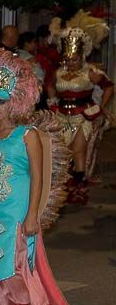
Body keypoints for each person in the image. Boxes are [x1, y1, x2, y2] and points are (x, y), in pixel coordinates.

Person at [0, 50, 99, 305]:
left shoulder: (28, 135)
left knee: (19, 261)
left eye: (2, 101)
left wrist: (32, 215)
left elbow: (38, 177)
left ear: (16, 102)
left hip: (15, 209)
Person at [47, 27, 112, 204]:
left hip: (82, 116)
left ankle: (79, 188)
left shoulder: (90, 72)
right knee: (62, 152)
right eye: (67, 59)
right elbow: (51, 86)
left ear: (82, 56)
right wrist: (52, 102)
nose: (70, 62)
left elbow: (109, 86)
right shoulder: (59, 72)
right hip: (61, 116)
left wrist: (101, 107)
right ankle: (64, 185)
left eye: (74, 59)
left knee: (78, 151)